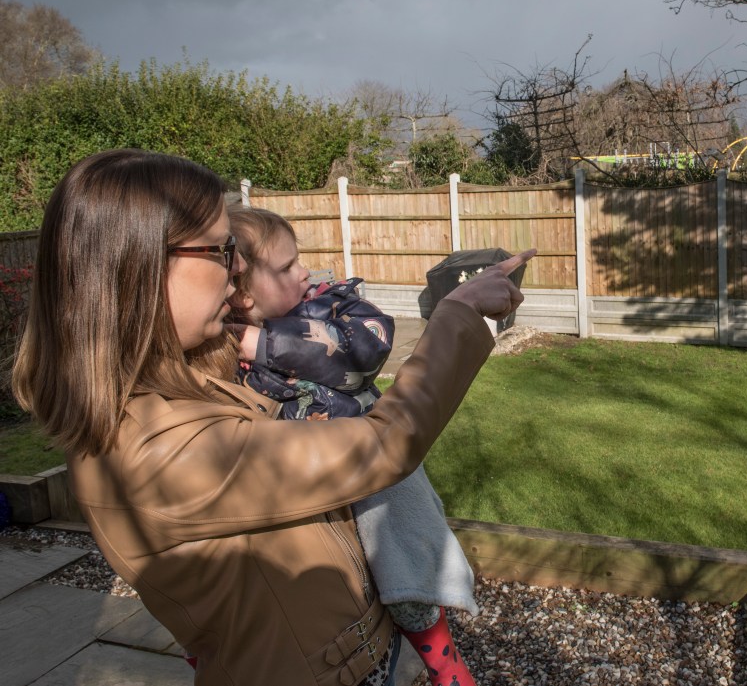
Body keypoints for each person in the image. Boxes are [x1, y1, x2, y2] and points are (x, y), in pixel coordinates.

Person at [11, 148, 534, 686]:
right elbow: (385, 444)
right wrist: (459, 313)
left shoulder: (185, 381)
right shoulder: (162, 449)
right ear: (139, 267)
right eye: (221, 249)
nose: (238, 267)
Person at [226, 203, 479, 686]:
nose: (304, 272)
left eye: (298, 259)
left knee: (405, 573)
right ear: (240, 294)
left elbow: (367, 347)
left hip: (368, 462)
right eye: (285, 268)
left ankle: (446, 667)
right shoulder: (217, 343)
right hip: (299, 488)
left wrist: (265, 344)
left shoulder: (329, 302)